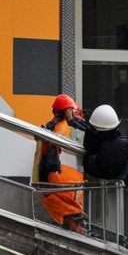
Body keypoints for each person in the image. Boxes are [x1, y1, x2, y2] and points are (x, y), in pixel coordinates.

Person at [32, 94, 89, 234]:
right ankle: (78, 227)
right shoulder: (76, 128)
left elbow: (40, 155)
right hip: (73, 178)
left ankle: (68, 223)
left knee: (58, 206)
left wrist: (36, 180)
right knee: (74, 210)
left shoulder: (49, 128)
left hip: (54, 176)